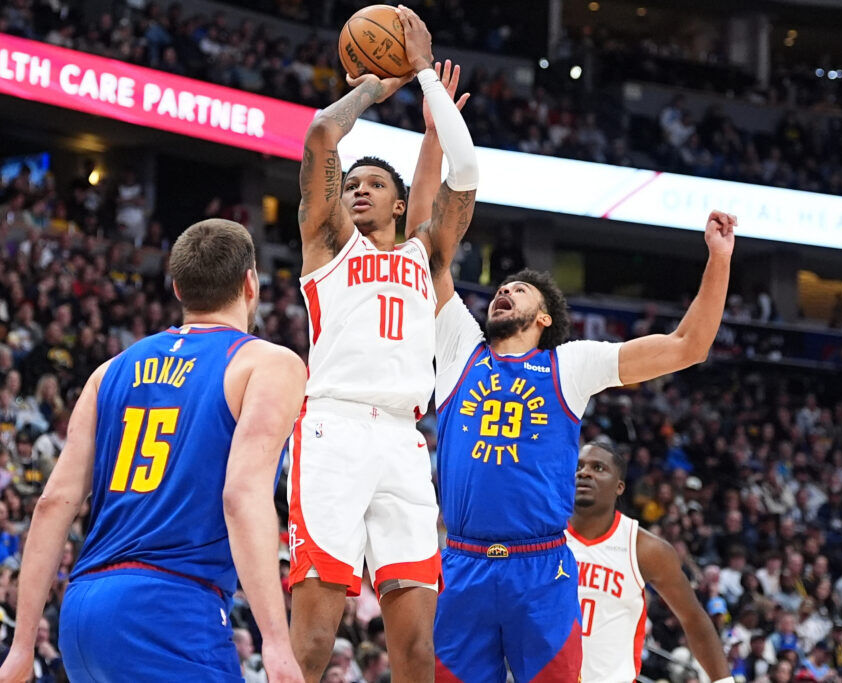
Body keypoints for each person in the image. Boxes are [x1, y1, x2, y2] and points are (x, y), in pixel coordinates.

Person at [412, 159, 734, 680]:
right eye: (501, 288)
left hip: (540, 569)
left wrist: (719, 259)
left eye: (519, 290)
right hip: (463, 563)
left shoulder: (568, 363)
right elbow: (427, 251)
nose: (503, 291)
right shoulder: (459, 348)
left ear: (543, 318)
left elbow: (687, 347)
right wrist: (434, 136)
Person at [0, 219, 305, 682]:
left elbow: (53, 503)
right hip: (171, 609)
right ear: (250, 282)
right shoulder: (267, 363)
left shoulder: (110, 370)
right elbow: (241, 497)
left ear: (177, 288)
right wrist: (277, 643)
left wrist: (21, 648)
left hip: (81, 613)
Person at [287, 7, 477, 682]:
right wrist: (374, 84)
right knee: (312, 641)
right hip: (333, 428)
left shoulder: (427, 256)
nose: (359, 191)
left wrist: (425, 73)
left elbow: (465, 168)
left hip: (402, 439)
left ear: (400, 205)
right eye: (353, 185)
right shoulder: (329, 245)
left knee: (419, 649)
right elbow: (318, 135)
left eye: (375, 185)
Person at [566, 442, 733, 682]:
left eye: (598, 467)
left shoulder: (645, 548)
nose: (584, 472)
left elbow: (693, 618)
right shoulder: (544, 538)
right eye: (579, 466)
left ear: (619, 487)